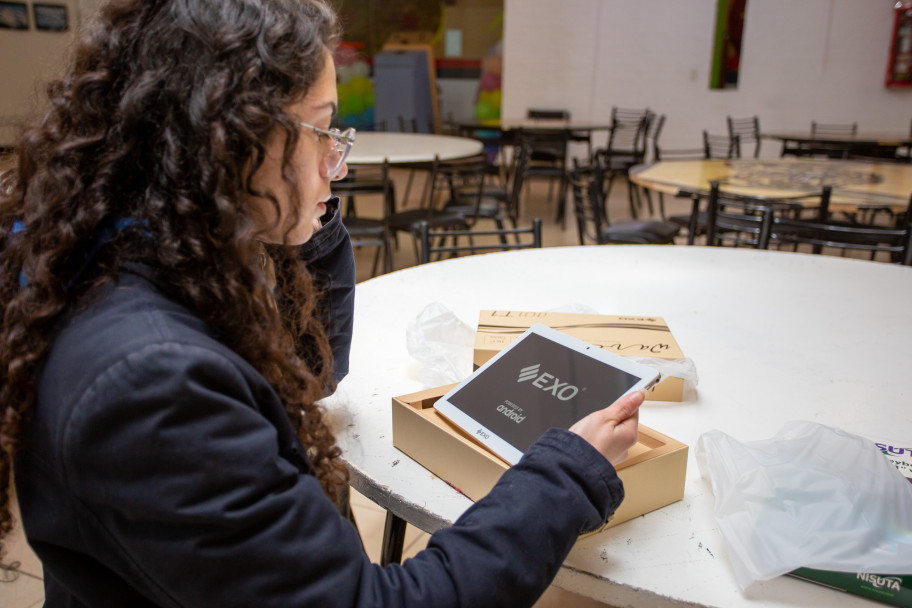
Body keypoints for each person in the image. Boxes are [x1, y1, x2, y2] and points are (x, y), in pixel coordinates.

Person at [0, 1, 644, 606]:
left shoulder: (167, 252)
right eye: (318, 129)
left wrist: (301, 213)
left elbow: (310, 371)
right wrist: (566, 474)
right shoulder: (150, 389)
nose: (336, 160)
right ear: (229, 140)